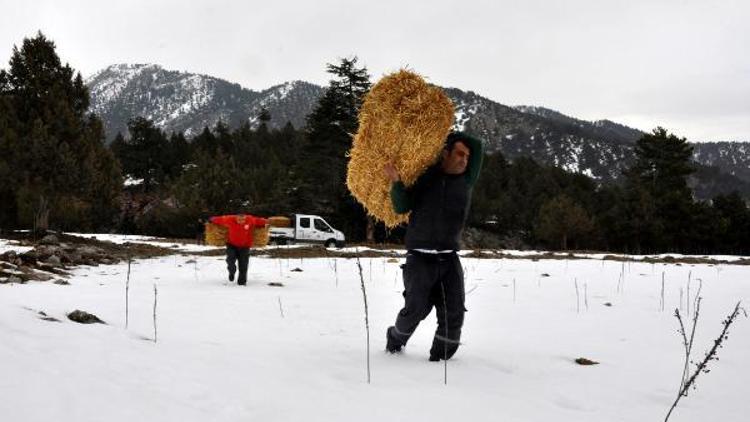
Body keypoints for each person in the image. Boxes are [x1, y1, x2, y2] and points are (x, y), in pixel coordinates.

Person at [384, 131, 484, 361]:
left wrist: (445, 131)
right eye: (459, 154)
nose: (464, 160)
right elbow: (401, 207)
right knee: (415, 309)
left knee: (454, 312)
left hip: (449, 258)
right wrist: (396, 183)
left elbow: (477, 144)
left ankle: (441, 360)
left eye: (467, 157)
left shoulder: (467, 180)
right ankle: (395, 340)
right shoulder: (426, 177)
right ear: (445, 154)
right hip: (419, 258)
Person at [209, 214, 268, 285]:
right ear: (236, 218)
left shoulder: (251, 220)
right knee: (230, 261)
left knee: (243, 265)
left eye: (243, 220)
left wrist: (268, 221)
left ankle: (242, 282)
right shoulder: (229, 219)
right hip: (231, 245)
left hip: (245, 247)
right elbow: (219, 219)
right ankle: (232, 272)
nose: (241, 221)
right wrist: (211, 219)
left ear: (245, 218)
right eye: (239, 220)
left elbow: (261, 221)